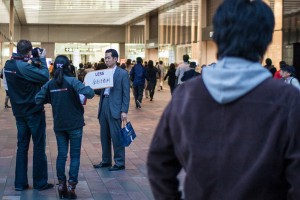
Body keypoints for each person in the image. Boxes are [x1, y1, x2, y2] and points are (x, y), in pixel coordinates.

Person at [147, 0, 300, 199]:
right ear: (266, 39)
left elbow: (159, 163)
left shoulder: (186, 95)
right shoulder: (286, 99)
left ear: (218, 37)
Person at [35, 55, 95, 199]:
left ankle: (61, 185)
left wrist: (52, 99)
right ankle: (71, 187)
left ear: (55, 67)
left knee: (61, 155)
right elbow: (90, 93)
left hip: (59, 124)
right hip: (75, 124)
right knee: (75, 156)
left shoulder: (51, 83)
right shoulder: (73, 81)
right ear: (69, 66)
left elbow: (38, 99)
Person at [4, 40, 53, 191]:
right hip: (33, 112)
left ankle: (20, 183)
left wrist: (34, 61)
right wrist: (43, 60)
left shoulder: (8, 65)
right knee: (39, 147)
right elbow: (45, 76)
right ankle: (40, 183)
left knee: (22, 147)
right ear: (28, 52)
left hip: (19, 112)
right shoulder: (23, 66)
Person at [93, 49, 130, 171]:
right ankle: (106, 161)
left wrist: (124, 110)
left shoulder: (122, 73)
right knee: (104, 135)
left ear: (115, 59)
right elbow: (99, 90)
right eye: (105, 58)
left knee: (116, 136)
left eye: (109, 58)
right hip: (104, 104)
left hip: (116, 107)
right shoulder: (103, 73)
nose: (106, 60)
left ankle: (119, 162)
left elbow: (126, 94)